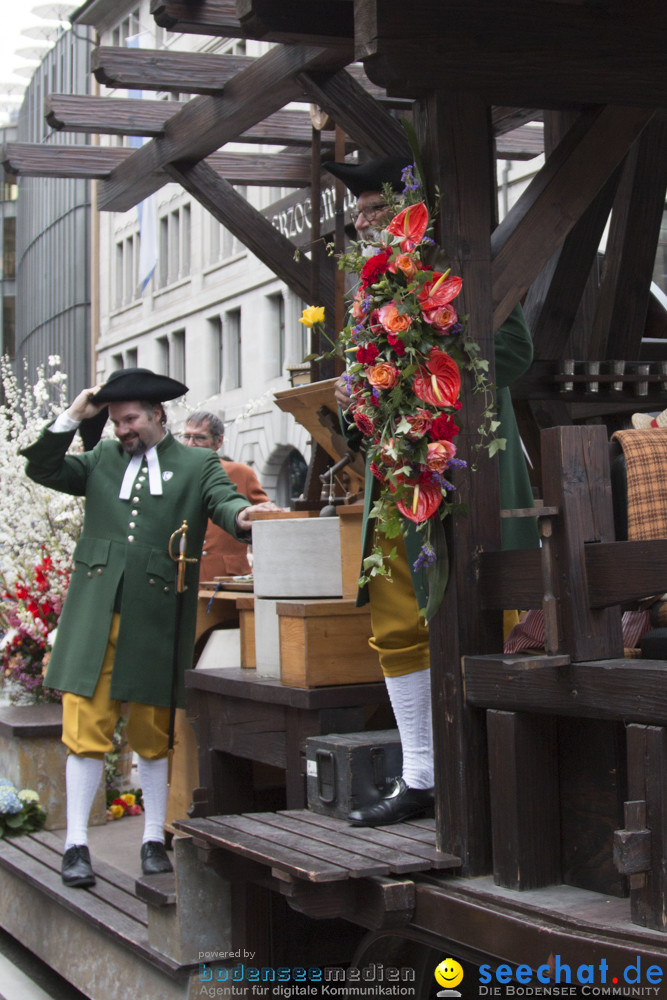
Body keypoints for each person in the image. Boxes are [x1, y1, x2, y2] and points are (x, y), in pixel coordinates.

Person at [324, 156, 539, 827]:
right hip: (397, 483)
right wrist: (349, 397)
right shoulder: (366, 295)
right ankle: (421, 776)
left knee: (492, 615)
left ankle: (504, 776)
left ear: (410, 209)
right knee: (394, 626)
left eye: (371, 209)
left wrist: (420, 347)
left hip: (466, 473)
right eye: (357, 213)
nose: (360, 222)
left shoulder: (464, 269)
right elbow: (361, 418)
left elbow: (511, 355)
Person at [21, 368, 275, 887]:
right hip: (95, 611)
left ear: (159, 415)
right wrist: (75, 416)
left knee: (152, 733)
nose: (122, 430)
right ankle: (75, 845)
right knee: (84, 730)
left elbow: (222, 502)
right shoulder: (99, 459)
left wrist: (245, 518)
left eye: (131, 419)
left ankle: (153, 838)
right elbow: (43, 468)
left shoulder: (198, 462)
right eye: (115, 421)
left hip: (156, 614)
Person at [182, 411, 273, 578]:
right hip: (184, 577)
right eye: (186, 436)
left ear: (219, 441)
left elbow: (268, 522)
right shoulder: (174, 476)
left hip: (227, 578)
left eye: (199, 438)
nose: (190, 444)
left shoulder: (241, 473)